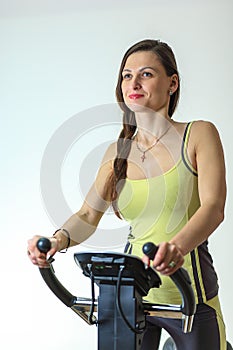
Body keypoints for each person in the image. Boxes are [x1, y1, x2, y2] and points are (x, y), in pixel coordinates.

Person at [27, 39, 227, 350]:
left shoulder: (199, 134)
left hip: (190, 295)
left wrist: (175, 248)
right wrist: (58, 241)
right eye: (126, 75)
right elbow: (87, 215)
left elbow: (213, 207)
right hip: (130, 294)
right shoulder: (117, 151)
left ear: (172, 83)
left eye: (146, 74)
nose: (133, 83)